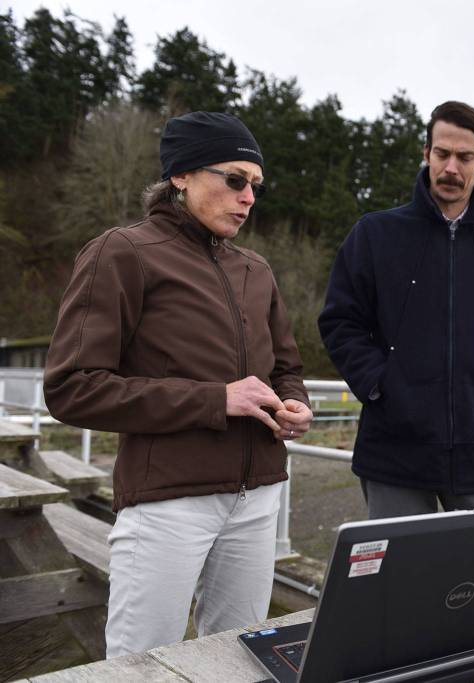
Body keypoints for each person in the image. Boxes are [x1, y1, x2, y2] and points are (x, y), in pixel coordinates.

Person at [44, 111, 312, 658]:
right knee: (140, 664)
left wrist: (295, 403)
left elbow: (286, 367)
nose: (248, 198)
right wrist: (217, 399)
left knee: (242, 659)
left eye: (255, 186)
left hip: (259, 496)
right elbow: (73, 386)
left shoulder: (256, 270)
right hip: (168, 500)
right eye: (234, 179)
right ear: (181, 176)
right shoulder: (122, 252)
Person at [318, 100, 474, 519]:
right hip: (393, 453)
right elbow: (340, 321)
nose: (451, 168)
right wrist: (379, 384)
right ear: (426, 154)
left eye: (465, 157)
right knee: (402, 564)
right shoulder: (375, 233)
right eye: (442, 154)